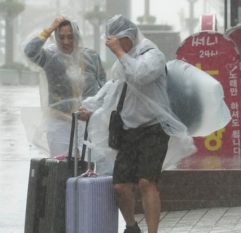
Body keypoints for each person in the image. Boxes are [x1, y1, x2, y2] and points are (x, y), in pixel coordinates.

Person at [78, 15, 195, 233]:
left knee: (146, 182)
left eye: (118, 40)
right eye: (112, 41)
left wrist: (120, 53)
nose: (115, 46)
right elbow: (114, 88)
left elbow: (141, 75)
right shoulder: (122, 62)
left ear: (130, 36)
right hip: (128, 129)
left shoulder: (153, 55)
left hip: (154, 128)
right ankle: (132, 226)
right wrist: (93, 107)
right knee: (121, 185)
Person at [23, 16, 106, 158]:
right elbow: (30, 51)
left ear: (78, 36)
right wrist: (50, 28)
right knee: (62, 171)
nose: (66, 42)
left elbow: (103, 87)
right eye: (61, 37)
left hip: (87, 123)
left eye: (70, 37)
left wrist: (95, 112)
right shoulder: (50, 57)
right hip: (59, 124)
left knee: (87, 170)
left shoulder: (91, 57)